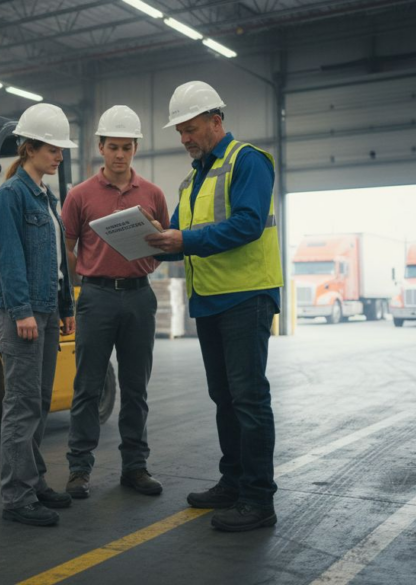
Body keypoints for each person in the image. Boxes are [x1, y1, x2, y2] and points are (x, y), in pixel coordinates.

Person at [144, 81, 283, 532]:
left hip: (245, 298)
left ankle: (259, 499)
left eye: (191, 129)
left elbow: (245, 225)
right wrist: (144, 240)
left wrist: (181, 239)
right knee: (225, 398)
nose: (184, 138)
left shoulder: (248, 161)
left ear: (216, 121)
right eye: (180, 132)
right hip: (210, 301)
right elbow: (179, 239)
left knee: (248, 399)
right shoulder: (193, 179)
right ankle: (233, 481)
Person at [61, 105, 169, 499]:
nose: (120, 154)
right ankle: (78, 470)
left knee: (135, 387)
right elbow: (67, 245)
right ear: (101, 148)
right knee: (88, 386)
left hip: (140, 296)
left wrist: (152, 245)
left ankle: (135, 468)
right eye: (113, 147)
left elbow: (164, 247)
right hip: (97, 297)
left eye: (126, 147)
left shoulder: (153, 195)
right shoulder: (79, 196)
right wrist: (87, 272)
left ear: (135, 148)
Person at [0, 103, 78, 527]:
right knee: (22, 405)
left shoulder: (46, 196)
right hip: (20, 313)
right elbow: (8, 259)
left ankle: (35, 479)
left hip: (45, 310)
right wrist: (22, 310)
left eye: (61, 148)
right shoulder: (10, 195)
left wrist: (65, 307)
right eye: (53, 148)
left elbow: (58, 260)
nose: (59, 155)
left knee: (40, 402)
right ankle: (17, 496)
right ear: (29, 148)